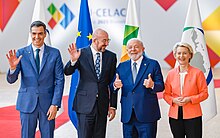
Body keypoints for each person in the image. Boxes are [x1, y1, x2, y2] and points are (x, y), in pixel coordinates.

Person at [6, 21, 64, 138]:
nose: (36, 37)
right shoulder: (21, 53)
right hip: (27, 103)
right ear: (30, 34)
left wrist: (55, 104)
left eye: (40, 33)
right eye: (34, 33)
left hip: (48, 105)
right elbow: (11, 80)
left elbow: (59, 80)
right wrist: (12, 69)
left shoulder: (54, 53)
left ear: (45, 34)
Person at [64, 28, 117, 138]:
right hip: (84, 105)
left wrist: (112, 105)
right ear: (94, 40)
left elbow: (113, 82)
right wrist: (73, 61)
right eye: (104, 40)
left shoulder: (111, 57)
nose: (106, 44)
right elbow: (67, 72)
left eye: (108, 41)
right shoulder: (81, 53)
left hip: (102, 106)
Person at [112, 38, 164, 138]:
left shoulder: (153, 64)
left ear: (143, 49)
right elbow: (112, 85)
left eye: (136, 47)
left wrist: (152, 85)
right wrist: (115, 85)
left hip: (147, 115)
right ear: (127, 51)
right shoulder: (122, 66)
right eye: (130, 47)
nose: (133, 49)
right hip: (128, 116)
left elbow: (161, 86)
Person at [163, 42, 208, 138]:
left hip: (193, 115)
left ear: (190, 55)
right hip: (174, 115)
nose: (181, 56)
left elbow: (204, 94)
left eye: (184, 53)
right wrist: (173, 100)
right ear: (175, 55)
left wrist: (190, 99)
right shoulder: (170, 74)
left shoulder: (198, 73)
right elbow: (166, 94)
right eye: (179, 53)